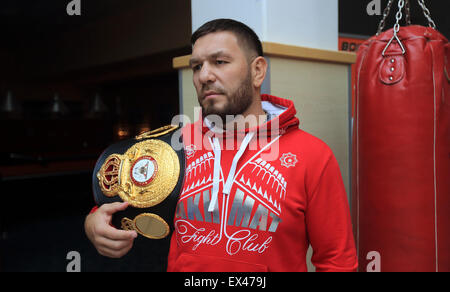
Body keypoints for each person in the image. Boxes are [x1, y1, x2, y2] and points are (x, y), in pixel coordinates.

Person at [85, 18, 358, 272]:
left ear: (258, 71)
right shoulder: (174, 145)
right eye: (197, 66)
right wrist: (93, 223)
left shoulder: (313, 155)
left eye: (220, 62)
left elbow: (336, 260)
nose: (204, 76)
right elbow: (116, 196)